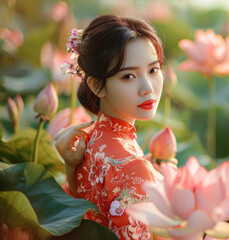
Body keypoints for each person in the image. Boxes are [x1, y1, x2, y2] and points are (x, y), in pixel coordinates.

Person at [54, 14, 167, 239]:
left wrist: (70, 168)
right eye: (128, 76)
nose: (147, 88)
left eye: (153, 70)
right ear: (97, 86)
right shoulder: (132, 166)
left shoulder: (86, 142)